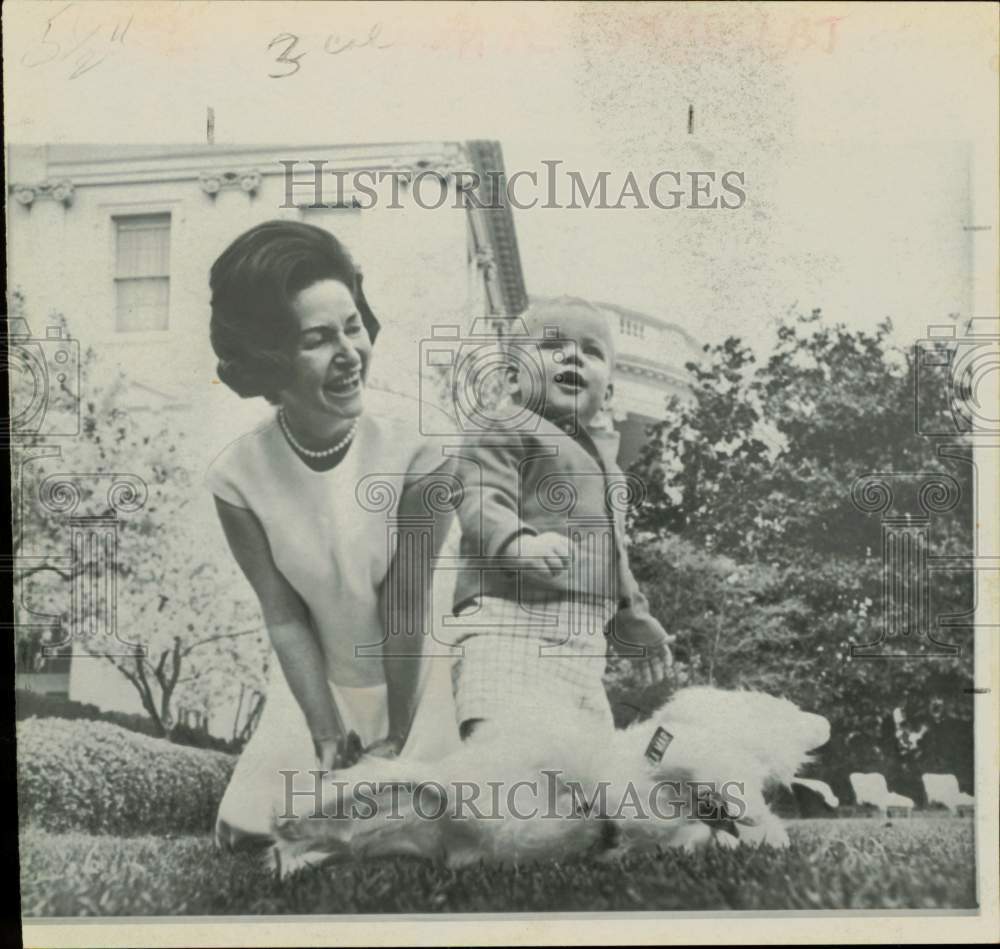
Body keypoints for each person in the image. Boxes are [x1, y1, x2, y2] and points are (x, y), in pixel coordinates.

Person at [205, 220, 460, 850]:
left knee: (415, 837)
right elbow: (285, 619)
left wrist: (398, 743)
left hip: (419, 681)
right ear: (270, 357)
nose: (350, 352)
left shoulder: (423, 451)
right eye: (317, 339)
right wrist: (325, 735)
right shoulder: (237, 478)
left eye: (353, 326)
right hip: (314, 691)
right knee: (251, 835)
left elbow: (406, 609)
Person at [449, 296, 673, 743]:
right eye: (552, 346)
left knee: (582, 759)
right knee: (504, 741)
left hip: (583, 640)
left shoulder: (609, 471)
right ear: (512, 378)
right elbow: (478, 493)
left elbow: (615, 560)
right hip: (510, 621)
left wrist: (636, 623)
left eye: (591, 352)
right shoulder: (505, 426)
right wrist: (517, 542)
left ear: (608, 393)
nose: (573, 355)